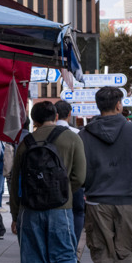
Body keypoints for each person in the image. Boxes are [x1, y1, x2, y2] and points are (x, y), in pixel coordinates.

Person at [8, 100, 85, 263]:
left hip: (30, 212)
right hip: (61, 210)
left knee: (33, 261)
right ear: (56, 115)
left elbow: (15, 184)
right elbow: (80, 177)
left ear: (34, 121)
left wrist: (15, 215)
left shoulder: (25, 143)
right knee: (64, 255)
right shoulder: (72, 138)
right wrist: (62, 194)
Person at [79, 86, 132, 263]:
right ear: (118, 105)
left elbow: (79, 172)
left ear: (97, 105)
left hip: (97, 201)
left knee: (102, 253)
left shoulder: (84, 135)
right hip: (130, 201)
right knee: (126, 248)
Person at [55, 99, 86, 248]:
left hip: (50, 184)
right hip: (74, 183)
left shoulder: (46, 133)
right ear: (69, 114)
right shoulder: (77, 134)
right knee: (78, 212)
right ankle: (73, 244)